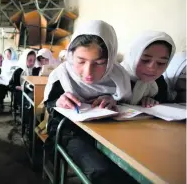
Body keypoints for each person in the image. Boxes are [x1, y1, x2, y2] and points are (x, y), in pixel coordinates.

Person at [44, 20, 134, 184]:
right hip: (70, 131)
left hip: (110, 131)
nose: (88, 73)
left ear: (111, 58)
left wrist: (112, 99)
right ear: (71, 55)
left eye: (99, 63)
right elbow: (49, 103)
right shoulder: (62, 75)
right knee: (101, 172)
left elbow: (127, 103)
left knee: (128, 170)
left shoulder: (119, 77)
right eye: (81, 61)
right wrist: (59, 101)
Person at [121, 31, 176, 107]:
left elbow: (163, 103)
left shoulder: (159, 82)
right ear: (133, 57)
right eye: (145, 60)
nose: (152, 68)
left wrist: (153, 102)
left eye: (161, 63)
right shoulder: (114, 77)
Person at [0, 47, 18, 113]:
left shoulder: (17, 62)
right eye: (6, 55)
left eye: (8, 54)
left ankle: (14, 106)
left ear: (12, 54)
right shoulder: (5, 62)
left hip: (12, 82)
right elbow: (3, 73)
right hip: (4, 80)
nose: (7, 56)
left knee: (2, 87)